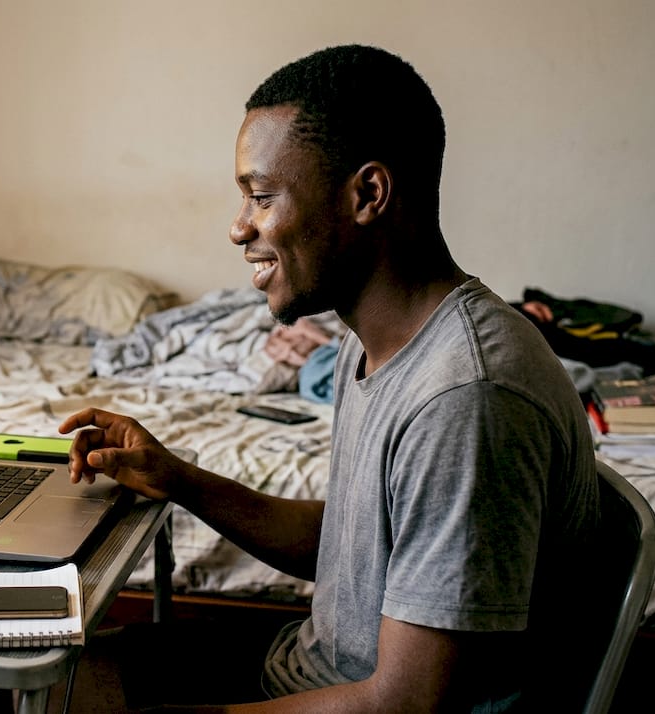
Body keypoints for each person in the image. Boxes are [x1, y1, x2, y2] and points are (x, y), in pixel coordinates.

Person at [60, 44, 601, 712]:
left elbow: (402, 705)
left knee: (71, 694)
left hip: (358, 700)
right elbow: (353, 547)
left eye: (261, 197)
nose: (238, 228)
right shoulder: (368, 343)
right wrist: (175, 477)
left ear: (367, 194)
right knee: (65, 673)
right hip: (311, 669)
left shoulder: (465, 399)